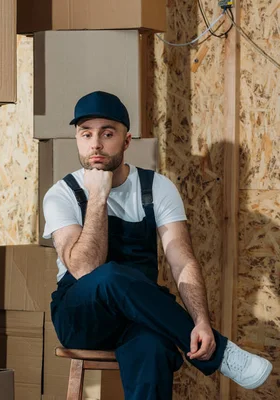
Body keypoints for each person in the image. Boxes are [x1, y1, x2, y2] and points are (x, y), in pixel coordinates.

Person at [42, 91, 272, 399]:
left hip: (139, 316)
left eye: (107, 133)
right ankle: (224, 356)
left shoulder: (157, 188)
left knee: (154, 348)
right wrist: (97, 197)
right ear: (77, 140)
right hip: (82, 318)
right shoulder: (63, 193)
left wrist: (202, 321)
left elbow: (182, 260)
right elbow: (85, 269)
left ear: (126, 141)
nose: (95, 144)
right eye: (86, 134)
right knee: (110, 275)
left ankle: (209, 342)